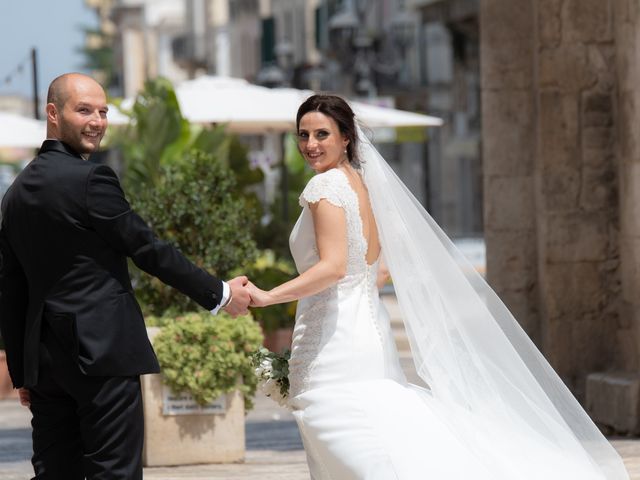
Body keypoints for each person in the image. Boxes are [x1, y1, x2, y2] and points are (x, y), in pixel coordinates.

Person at [247, 94, 630, 479]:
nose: (310, 144)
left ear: (346, 137)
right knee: (376, 429)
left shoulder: (325, 187)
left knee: (345, 433)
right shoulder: (362, 184)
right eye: (303, 134)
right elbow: (376, 270)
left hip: (333, 340)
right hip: (367, 332)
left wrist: (268, 296)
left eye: (322, 134)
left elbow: (333, 267)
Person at [0, 73, 251, 479]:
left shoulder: (15, 192)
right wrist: (220, 293)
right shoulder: (90, 180)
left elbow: (11, 290)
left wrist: (23, 371)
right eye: (84, 110)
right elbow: (147, 248)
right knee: (114, 471)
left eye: (102, 111)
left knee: (53, 471)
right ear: (52, 113)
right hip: (103, 355)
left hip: (45, 366)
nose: (97, 121)